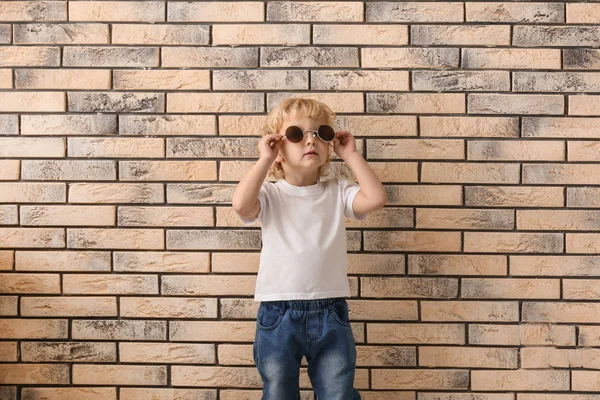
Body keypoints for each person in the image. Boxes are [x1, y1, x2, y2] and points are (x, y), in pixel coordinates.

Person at [232, 97, 387, 399]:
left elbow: (375, 197)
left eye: (321, 133)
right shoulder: (269, 194)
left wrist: (351, 154)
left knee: (338, 393)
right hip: (278, 311)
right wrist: (264, 159)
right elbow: (241, 204)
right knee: (278, 392)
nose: (311, 140)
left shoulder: (339, 191)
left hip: (330, 309)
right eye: (296, 134)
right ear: (278, 149)